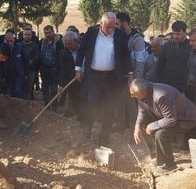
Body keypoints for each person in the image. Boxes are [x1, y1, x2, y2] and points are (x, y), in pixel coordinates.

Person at [75, 12, 132, 146]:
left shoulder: (120, 35)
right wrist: (78, 69)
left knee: (110, 108)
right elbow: (81, 50)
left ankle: (104, 138)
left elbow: (125, 55)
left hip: (113, 77)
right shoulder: (91, 33)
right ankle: (88, 125)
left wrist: (130, 73)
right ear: (100, 24)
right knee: (93, 102)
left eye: (113, 26)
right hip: (94, 76)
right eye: (107, 26)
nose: (110, 30)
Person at [130, 79, 196, 175]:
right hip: (169, 118)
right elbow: (142, 111)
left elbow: (171, 120)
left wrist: (152, 126)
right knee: (143, 126)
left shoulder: (161, 95)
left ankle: (168, 165)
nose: (132, 96)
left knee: (161, 134)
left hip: (185, 119)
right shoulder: (143, 95)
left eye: (134, 95)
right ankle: (157, 156)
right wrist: (137, 126)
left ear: (143, 92)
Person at [156, 21, 191, 93]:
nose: (175, 36)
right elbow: (160, 65)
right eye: (174, 33)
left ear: (184, 33)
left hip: (184, 85)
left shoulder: (190, 46)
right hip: (167, 84)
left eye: (178, 34)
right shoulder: (166, 46)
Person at [0, 29, 29, 98]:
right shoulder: (1, 49)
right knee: (11, 93)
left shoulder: (20, 47)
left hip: (18, 74)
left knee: (18, 91)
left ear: (14, 39)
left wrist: (26, 73)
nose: (10, 43)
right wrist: (2, 76)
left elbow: (25, 60)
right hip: (8, 75)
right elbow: (0, 64)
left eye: (11, 41)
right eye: (8, 41)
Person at [57, 30, 82, 119]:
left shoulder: (83, 49)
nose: (68, 46)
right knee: (72, 97)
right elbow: (62, 70)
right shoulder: (63, 53)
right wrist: (61, 84)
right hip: (71, 79)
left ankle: (84, 115)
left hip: (84, 78)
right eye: (66, 44)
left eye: (70, 43)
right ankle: (76, 114)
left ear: (76, 41)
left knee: (83, 97)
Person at [39, 25, 63, 109]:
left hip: (54, 69)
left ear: (53, 32)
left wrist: (57, 66)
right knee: (45, 88)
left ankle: (54, 107)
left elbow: (61, 56)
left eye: (49, 32)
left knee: (53, 89)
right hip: (44, 68)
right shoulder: (42, 42)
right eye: (46, 33)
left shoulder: (58, 42)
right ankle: (47, 106)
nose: (48, 35)